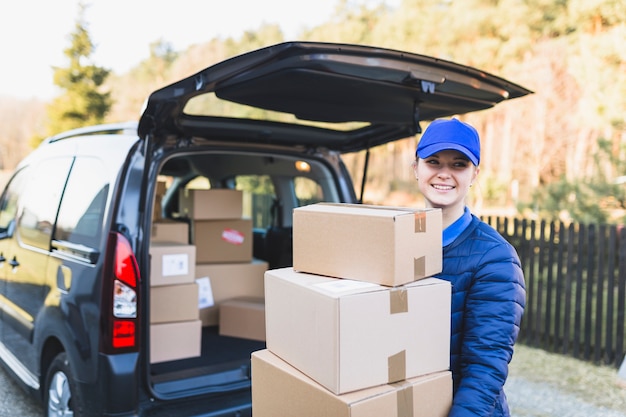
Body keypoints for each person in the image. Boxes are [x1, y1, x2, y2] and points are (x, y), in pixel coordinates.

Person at [412, 118, 526, 416]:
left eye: (459, 164)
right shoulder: (399, 240)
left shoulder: (496, 258)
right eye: (433, 161)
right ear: (416, 169)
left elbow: (484, 369)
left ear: (475, 174)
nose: (444, 174)